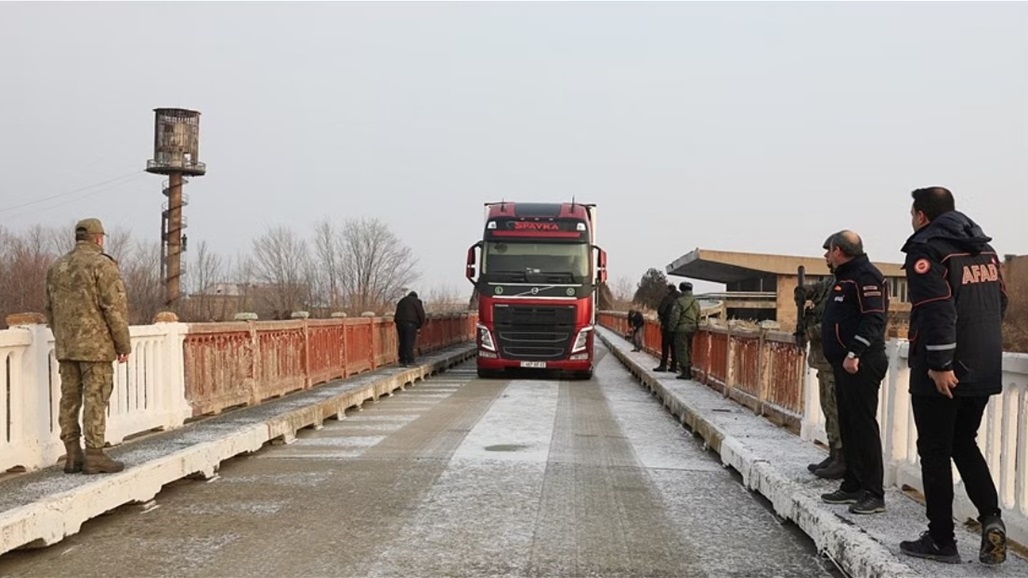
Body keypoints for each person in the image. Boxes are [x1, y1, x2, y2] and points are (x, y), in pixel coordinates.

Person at [898, 187, 1008, 565]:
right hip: (984, 364)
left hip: (942, 371)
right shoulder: (985, 251)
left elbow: (936, 308)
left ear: (922, 215)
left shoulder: (927, 248)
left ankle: (941, 539)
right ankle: (992, 519)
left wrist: (941, 365)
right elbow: (1001, 304)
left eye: (912, 213)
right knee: (964, 442)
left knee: (934, 451)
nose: (911, 220)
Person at [43, 218, 131, 475]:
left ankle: (72, 455)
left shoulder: (57, 266)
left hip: (67, 347)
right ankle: (94, 454)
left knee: (69, 398)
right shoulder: (102, 265)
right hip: (96, 347)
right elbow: (114, 308)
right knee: (96, 397)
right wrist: (122, 344)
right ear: (98, 238)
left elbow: (49, 308)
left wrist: (62, 336)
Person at [818, 230, 889, 515]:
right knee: (848, 424)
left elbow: (874, 319)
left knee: (863, 426)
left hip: (861, 362)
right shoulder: (845, 277)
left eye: (827, 250)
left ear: (838, 251)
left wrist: (854, 352)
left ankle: (874, 492)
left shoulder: (865, 276)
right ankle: (853, 484)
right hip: (844, 363)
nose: (825, 256)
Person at [796, 236, 844, 479]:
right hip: (823, 359)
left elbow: (836, 322)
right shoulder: (830, 282)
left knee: (836, 408)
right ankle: (835, 452)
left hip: (835, 359)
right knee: (828, 407)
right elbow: (817, 289)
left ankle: (842, 457)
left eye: (829, 252)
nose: (825, 257)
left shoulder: (846, 282)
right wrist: (803, 291)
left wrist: (809, 332)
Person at [668, 281, 700, 380]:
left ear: (681, 289)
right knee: (689, 349)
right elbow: (698, 315)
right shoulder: (696, 301)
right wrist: (696, 326)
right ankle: (689, 370)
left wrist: (671, 328)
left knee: (681, 349)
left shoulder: (679, 301)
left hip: (681, 328)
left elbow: (675, 316)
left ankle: (684, 371)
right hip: (692, 328)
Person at [394, 290, 426, 366]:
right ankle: (409, 360)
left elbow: (397, 312)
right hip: (410, 322)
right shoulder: (417, 301)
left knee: (402, 341)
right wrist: (419, 326)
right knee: (409, 341)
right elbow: (421, 315)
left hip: (399, 322)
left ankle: (402, 360)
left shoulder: (402, 300)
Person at [653, 284, 679, 371]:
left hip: (667, 324)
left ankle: (663, 365)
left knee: (665, 345)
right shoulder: (679, 299)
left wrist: (662, 317)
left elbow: (661, 310)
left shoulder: (667, 299)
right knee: (674, 346)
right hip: (678, 326)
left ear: (669, 290)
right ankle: (674, 366)